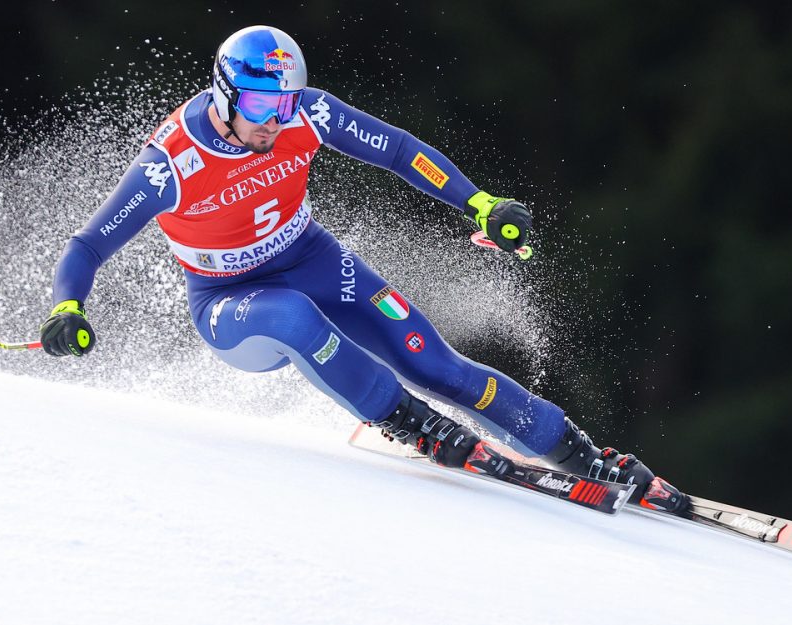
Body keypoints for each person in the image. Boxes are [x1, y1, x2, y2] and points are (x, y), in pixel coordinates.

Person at [39, 25, 687, 514]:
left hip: (313, 258)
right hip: (231, 303)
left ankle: (582, 454)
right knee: (295, 316)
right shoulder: (171, 164)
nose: (276, 122)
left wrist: (480, 203)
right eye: (263, 107)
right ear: (226, 95)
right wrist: (68, 306)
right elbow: (87, 245)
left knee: (438, 363)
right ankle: (410, 421)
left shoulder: (304, 116)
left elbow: (400, 151)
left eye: (285, 105)